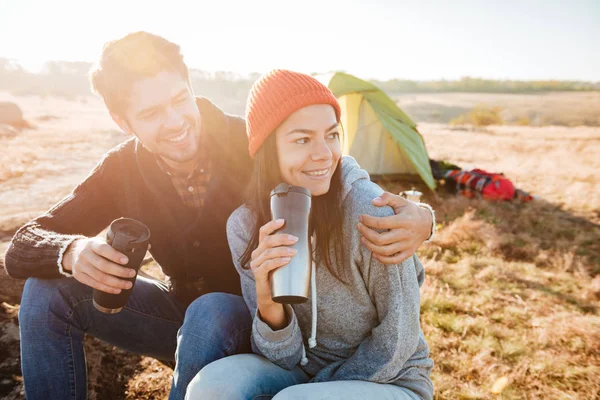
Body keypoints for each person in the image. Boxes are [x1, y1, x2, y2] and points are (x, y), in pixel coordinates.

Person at [3, 33, 435, 400]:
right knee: (46, 290)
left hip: (259, 321)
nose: (175, 122)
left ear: (191, 87)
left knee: (212, 310)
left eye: (179, 100)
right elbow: (23, 243)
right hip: (192, 322)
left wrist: (423, 218)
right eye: (151, 113)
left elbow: (328, 163)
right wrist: (73, 250)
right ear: (121, 120)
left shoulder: (251, 139)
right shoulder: (121, 170)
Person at [185, 70, 434, 400]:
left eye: (331, 135)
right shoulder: (245, 227)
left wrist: (313, 390)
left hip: (389, 381)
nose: (324, 154)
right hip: (301, 373)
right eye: (302, 139)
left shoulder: (370, 212)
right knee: (211, 387)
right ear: (267, 149)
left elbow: (397, 340)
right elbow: (283, 358)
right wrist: (267, 301)